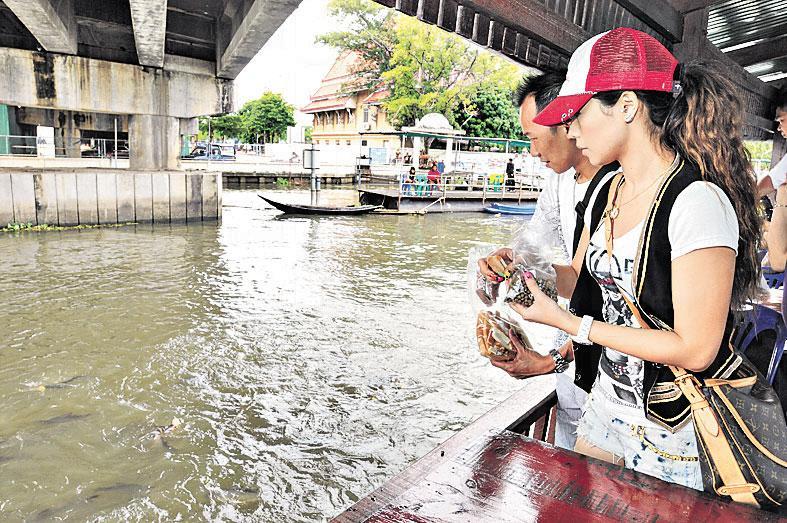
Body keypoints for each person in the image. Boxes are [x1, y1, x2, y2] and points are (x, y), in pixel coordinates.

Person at [512, 27, 761, 491]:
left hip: (672, 425)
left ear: (627, 106)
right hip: (606, 403)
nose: (571, 130)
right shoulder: (607, 189)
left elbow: (696, 348)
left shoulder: (697, 202)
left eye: (579, 114)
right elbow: (580, 280)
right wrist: (525, 274)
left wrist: (570, 326)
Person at [478, 73, 619, 451]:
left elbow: (616, 302)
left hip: (614, 378)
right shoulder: (562, 180)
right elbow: (566, 270)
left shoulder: (617, 186)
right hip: (581, 362)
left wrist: (552, 360)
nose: (532, 151)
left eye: (534, 137)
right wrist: (509, 266)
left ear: (567, 120)